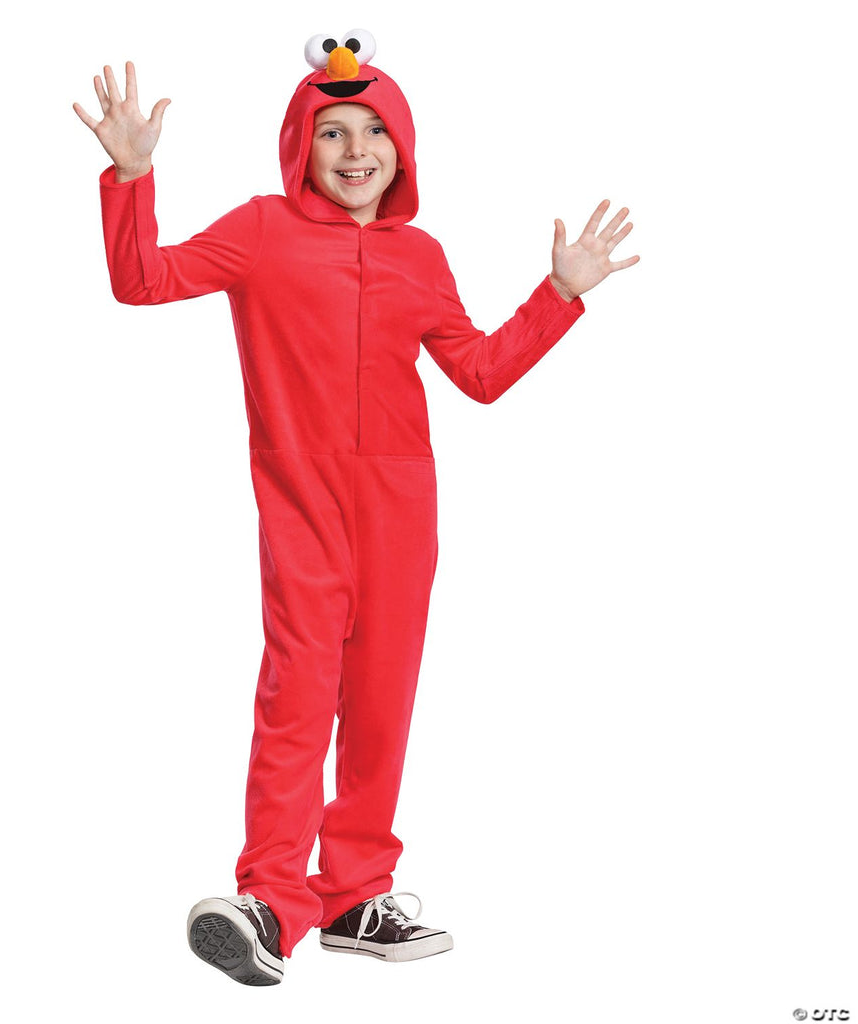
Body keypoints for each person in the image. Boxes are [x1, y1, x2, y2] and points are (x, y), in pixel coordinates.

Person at [74, 30, 638, 988]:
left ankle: (355, 897)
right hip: (301, 503)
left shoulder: (423, 254)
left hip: (401, 513)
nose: (354, 150)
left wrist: (558, 294)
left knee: (380, 705)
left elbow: (480, 374)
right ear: (300, 146)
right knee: (297, 696)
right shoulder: (261, 230)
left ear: (402, 147)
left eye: (373, 130)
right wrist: (131, 177)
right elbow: (143, 281)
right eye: (331, 131)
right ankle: (269, 900)